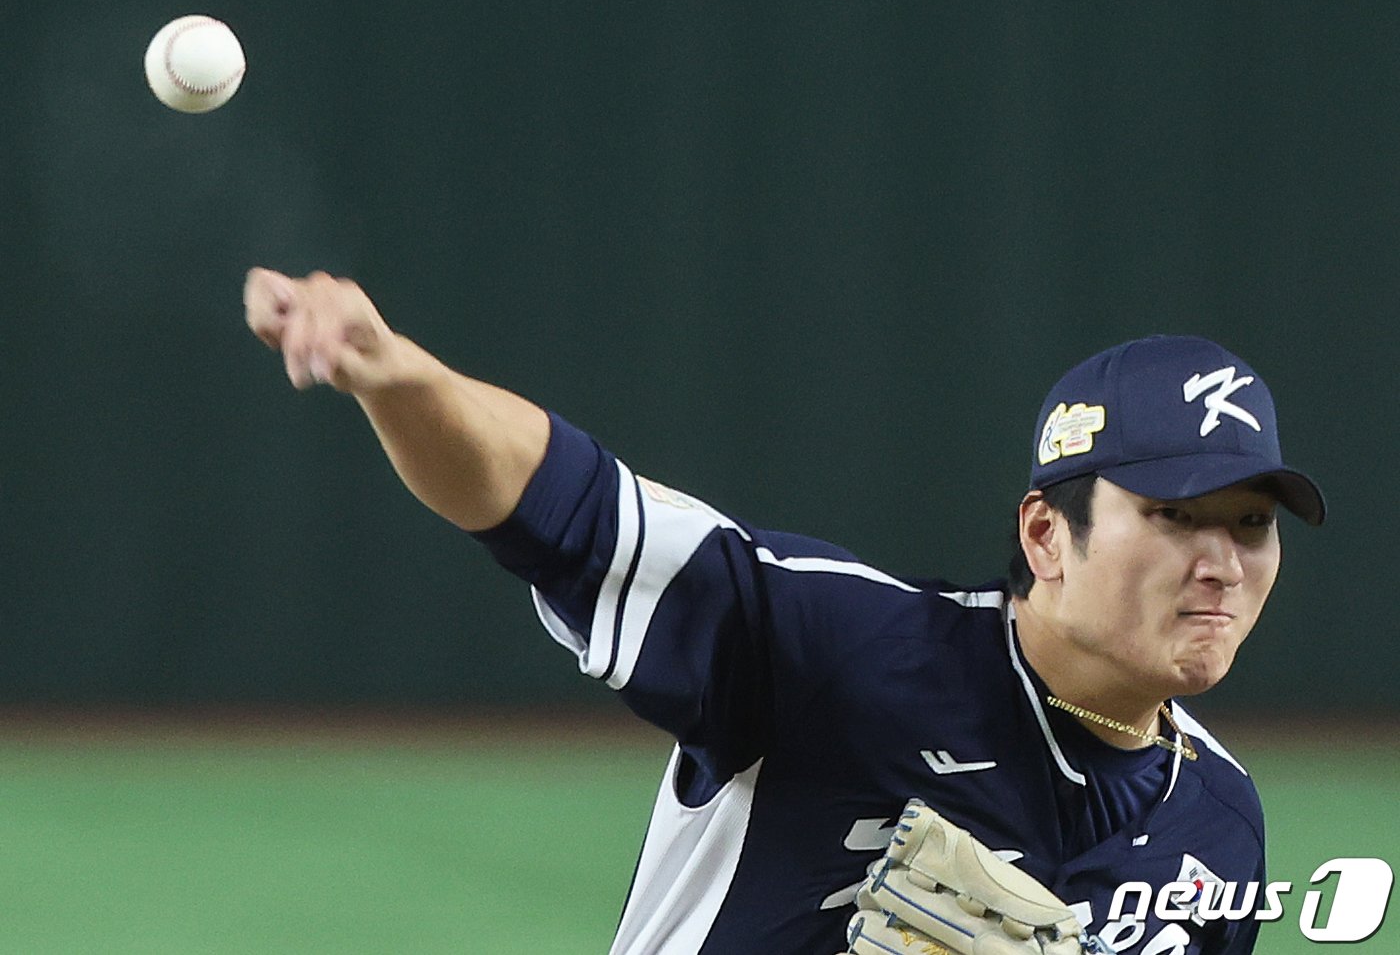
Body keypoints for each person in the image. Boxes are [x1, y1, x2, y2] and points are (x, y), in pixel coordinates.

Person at [242, 267, 1325, 955]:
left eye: (1248, 524)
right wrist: (395, 378)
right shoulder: (839, 649)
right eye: (1177, 514)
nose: (1220, 561)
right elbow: (566, 510)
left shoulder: (1216, 827)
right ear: (1046, 536)